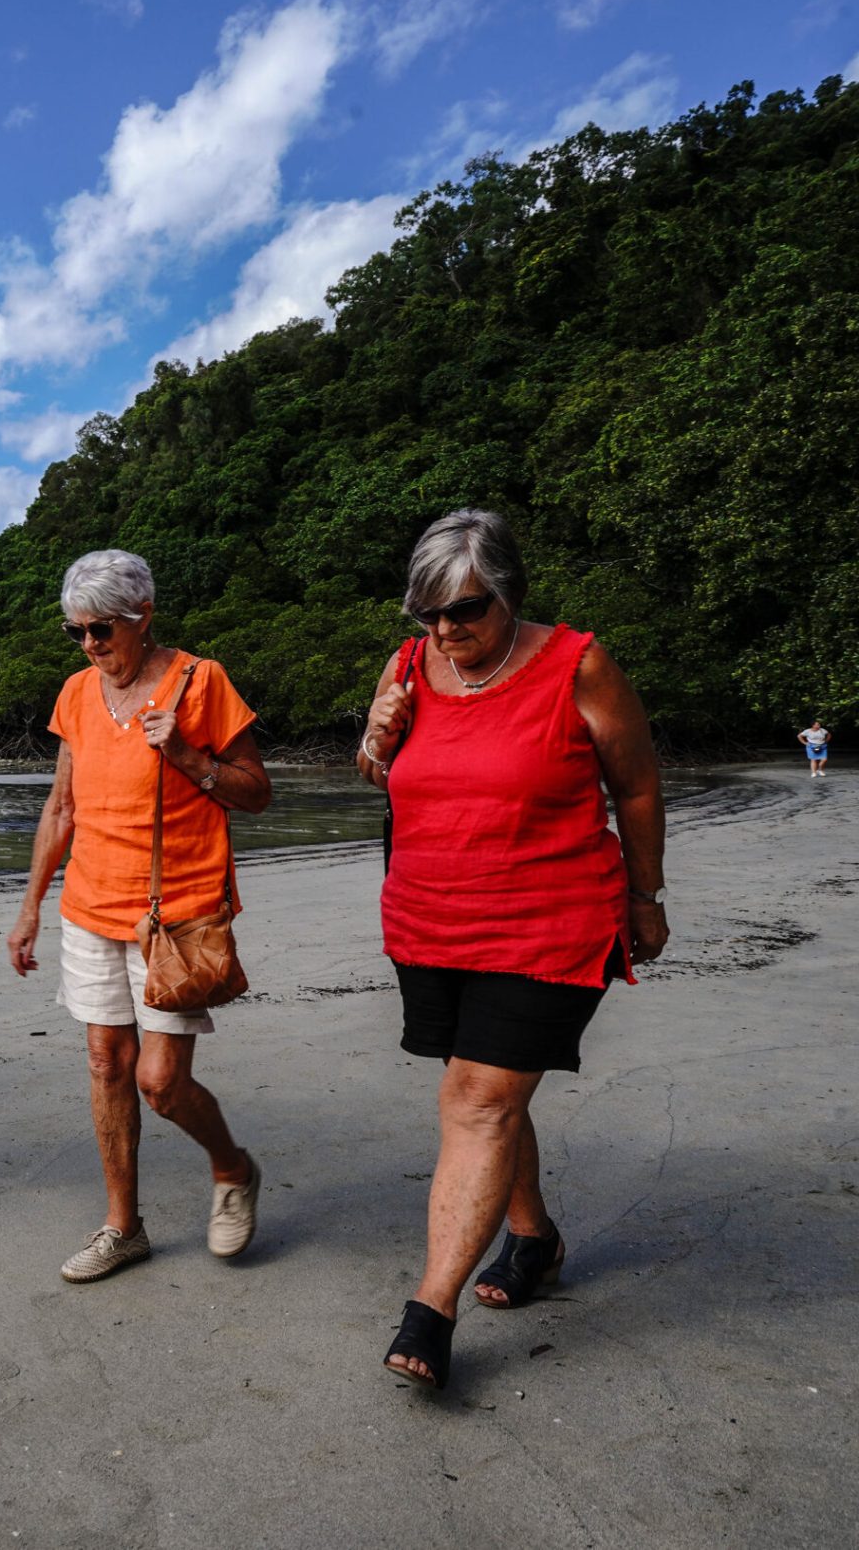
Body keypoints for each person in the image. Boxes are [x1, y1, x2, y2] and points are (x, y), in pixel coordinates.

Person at [359, 508, 668, 1391]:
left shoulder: (580, 665)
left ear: (509, 594)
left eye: (467, 611)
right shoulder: (413, 664)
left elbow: (638, 787)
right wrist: (375, 738)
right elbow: (384, 775)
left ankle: (431, 1309)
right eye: (429, 617)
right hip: (431, 916)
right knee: (486, 1087)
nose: (447, 632)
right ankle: (533, 1238)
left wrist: (645, 896)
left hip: (550, 919)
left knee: (479, 1099)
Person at [5, 550, 272, 1285]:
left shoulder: (201, 681)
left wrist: (187, 756)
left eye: (102, 629)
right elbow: (61, 806)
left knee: (159, 1081)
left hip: (177, 915)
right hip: (91, 906)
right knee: (104, 1064)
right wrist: (30, 908)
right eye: (76, 632)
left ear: (143, 616)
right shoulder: (77, 693)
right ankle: (123, 1226)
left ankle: (232, 1166)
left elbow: (255, 792)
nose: (91, 645)